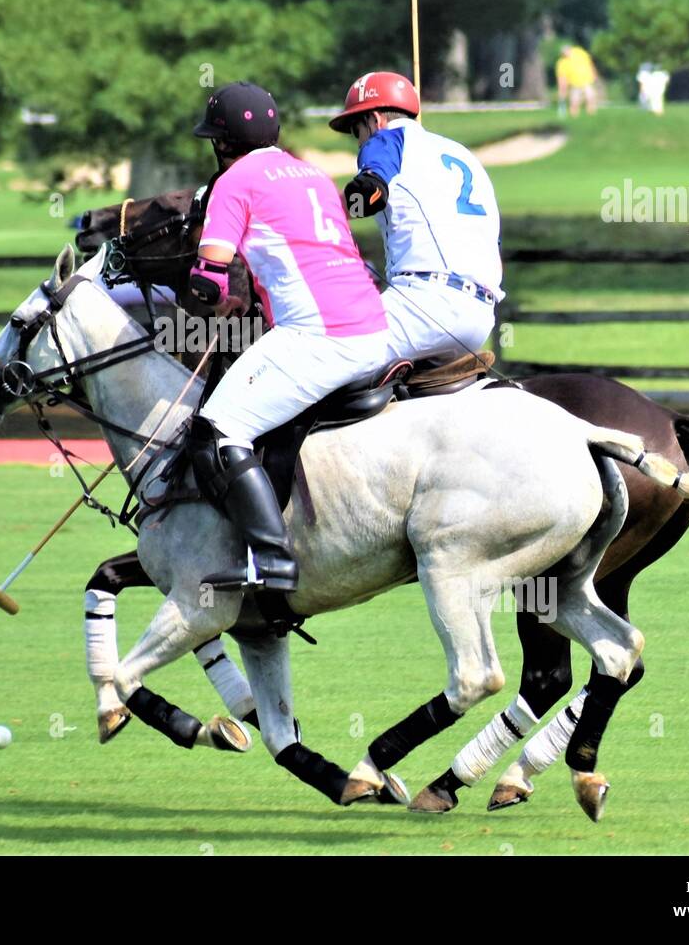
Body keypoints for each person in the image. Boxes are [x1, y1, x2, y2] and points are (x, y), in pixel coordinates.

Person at [186, 82, 390, 594]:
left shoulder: (232, 183)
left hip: (319, 336)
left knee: (217, 429)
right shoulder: (314, 175)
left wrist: (209, 300)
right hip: (374, 326)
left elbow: (207, 276)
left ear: (222, 142)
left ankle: (270, 558)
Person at [330, 71, 503, 368]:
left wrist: (333, 211)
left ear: (374, 119)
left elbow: (371, 189)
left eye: (356, 131)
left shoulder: (386, 139)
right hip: (481, 316)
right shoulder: (462, 154)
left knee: (319, 349)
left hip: (426, 307)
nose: (358, 142)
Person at [555, 43, 599, 117]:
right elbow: (562, 77)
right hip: (574, 83)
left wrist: (594, 73)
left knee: (590, 97)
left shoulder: (579, 52)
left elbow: (590, 62)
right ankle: (574, 116)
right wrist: (562, 88)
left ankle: (591, 114)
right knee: (574, 101)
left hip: (586, 80)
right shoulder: (562, 62)